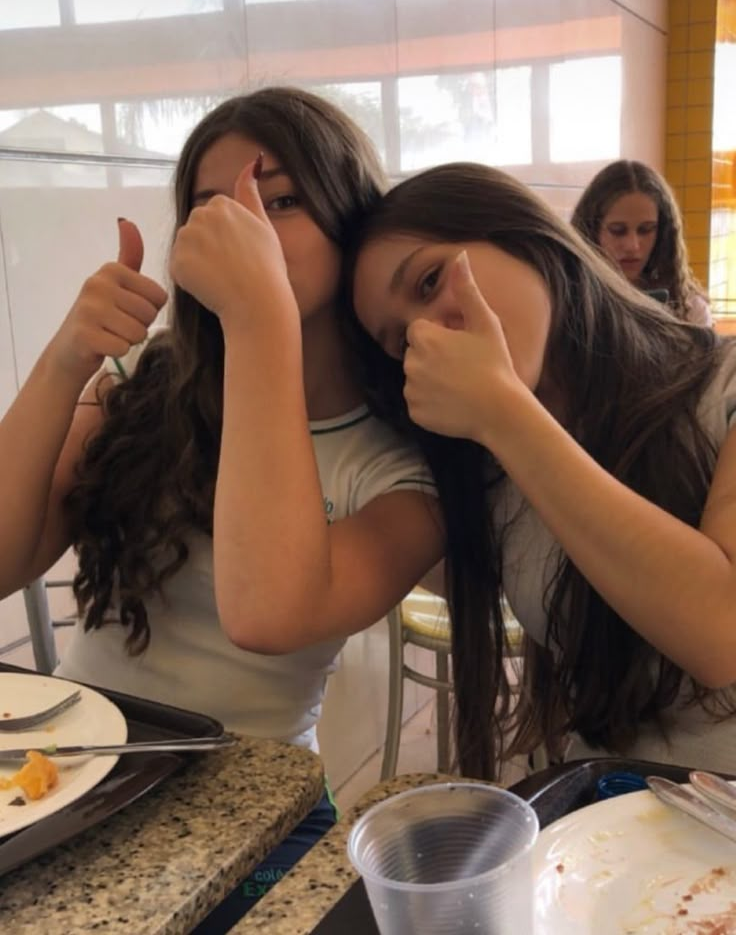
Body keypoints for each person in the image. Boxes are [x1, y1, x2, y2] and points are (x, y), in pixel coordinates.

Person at [0, 87, 443, 928]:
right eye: (215, 208)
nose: (249, 225)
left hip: (253, 804)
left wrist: (260, 319)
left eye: (281, 201)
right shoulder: (146, 383)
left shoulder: (399, 459)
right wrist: (66, 359)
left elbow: (268, 614)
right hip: (70, 767)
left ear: (352, 223)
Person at [348, 160, 736, 780]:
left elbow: (723, 633)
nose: (430, 335)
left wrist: (506, 414)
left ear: (523, 232)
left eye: (428, 282)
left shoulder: (722, 387)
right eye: (401, 341)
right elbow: (274, 609)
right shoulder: (487, 475)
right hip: (594, 837)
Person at [571, 159, 712, 326]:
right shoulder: (567, 302)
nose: (633, 246)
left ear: (662, 233)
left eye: (646, 230)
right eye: (617, 231)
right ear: (591, 231)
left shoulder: (689, 310)